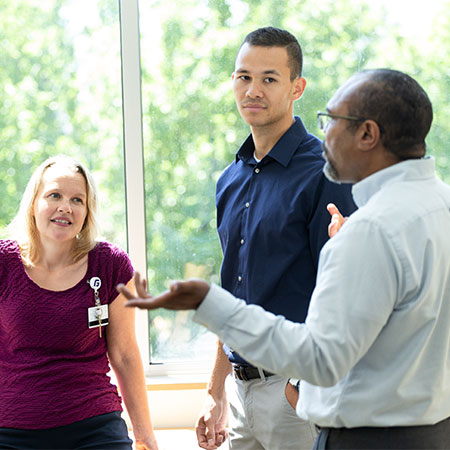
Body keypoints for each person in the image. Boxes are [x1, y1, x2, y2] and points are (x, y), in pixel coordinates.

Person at [119, 69, 450, 450]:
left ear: (367, 134)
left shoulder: (371, 231)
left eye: (332, 121)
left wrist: (208, 302)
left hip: (368, 439)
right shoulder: (437, 206)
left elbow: (320, 359)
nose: (323, 135)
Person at [190, 26, 356, 450]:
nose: (253, 90)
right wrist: (216, 391)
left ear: (296, 87)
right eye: (244, 77)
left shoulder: (325, 171)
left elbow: (345, 290)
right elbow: (234, 294)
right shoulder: (230, 179)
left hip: (296, 393)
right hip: (240, 393)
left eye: (269, 78)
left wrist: (303, 384)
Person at [0, 155, 159, 449]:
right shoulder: (3, 262)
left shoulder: (111, 265)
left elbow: (124, 355)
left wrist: (145, 436)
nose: (65, 207)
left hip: (94, 427)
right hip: (10, 428)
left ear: (87, 211)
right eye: (54, 195)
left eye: (77, 200)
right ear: (33, 203)